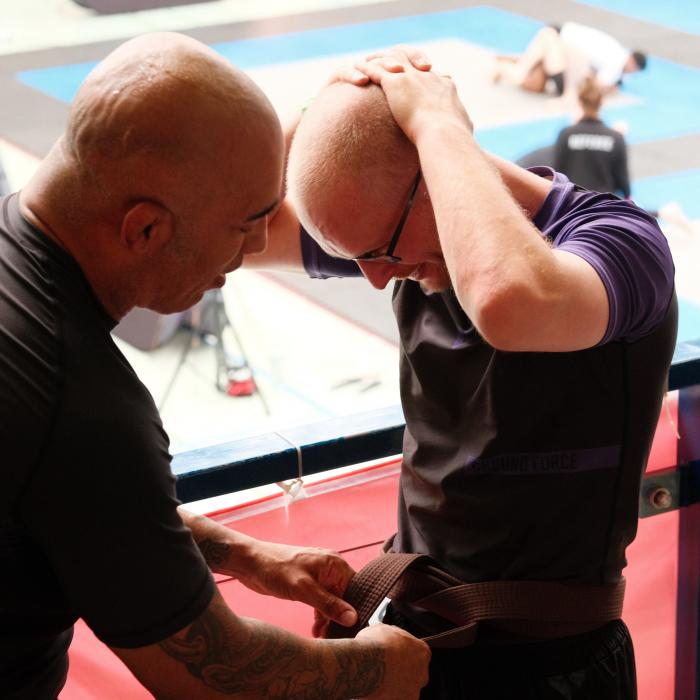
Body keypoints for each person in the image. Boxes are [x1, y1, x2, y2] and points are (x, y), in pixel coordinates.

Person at [0, 33, 431, 699]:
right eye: (245, 224)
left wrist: (241, 554)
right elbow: (218, 676)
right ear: (145, 229)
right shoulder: (82, 408)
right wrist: (379, 668)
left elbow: (75, 506)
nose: (254, 249)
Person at [255, 47, 676, 698]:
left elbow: (510, 304)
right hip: (414, 641)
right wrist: (319, 108)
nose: (375, 277)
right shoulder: (404, 239)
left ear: (435, 176)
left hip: (552, 667)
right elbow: (240, 232)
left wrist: (439, 124)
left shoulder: (621, 241)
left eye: (379, 253)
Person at [494, 21, 647, 97]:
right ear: (633, 64)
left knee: (534, 80)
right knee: (530, 75)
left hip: (563, 58)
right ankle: (517, 63)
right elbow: (599, 86)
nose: (630, 73)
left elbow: (599, 86)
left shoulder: (618, 56)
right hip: (561, 53)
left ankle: (517, 63)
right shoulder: (617, 62)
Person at [553, 76, 630, 196]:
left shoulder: (566, 134)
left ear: (579, 101)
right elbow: (623, 182)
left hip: (573, 202)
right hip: (602, 203)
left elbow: (557, 176)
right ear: (602, 102)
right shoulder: (616, 138)